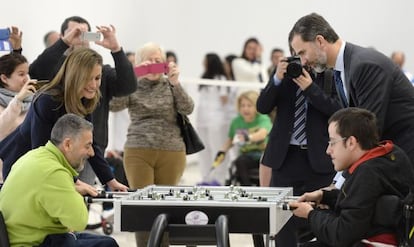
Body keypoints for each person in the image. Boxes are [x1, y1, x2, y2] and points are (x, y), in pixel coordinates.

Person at [288, 13, 414, 167]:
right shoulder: (343, 69)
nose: (303, 62)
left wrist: (339, 184)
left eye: (302, 53)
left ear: (320, 41)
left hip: (406, 159)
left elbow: (367, 134)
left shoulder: (364, 65)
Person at [28, 16, 137, 186]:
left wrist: (116, 49)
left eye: (86, 33)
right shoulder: (50, 94)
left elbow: (128, 85)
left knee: (78, 204)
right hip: (40, 159)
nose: (93, 85)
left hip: (85, 154)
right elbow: (41, 153)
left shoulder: (88, 98)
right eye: (75, 32)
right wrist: (64, 43)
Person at [0, 47, 125, 195]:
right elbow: (41, 150)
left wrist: (110, 180)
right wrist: (74, 181)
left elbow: (91, 143)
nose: (93, 85)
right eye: (87, 78)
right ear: (74, 75)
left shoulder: (85, 100)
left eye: (97, 78)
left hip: (47, 166)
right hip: (22, 163)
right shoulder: (48, 100)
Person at [289, 107, 414, 246]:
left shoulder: (367, 173)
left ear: (351, 142)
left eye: (332, 142)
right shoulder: (390, 155)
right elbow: (364, 202)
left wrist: (310, 214)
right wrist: (324, 196)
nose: (328, 150)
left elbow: (342, 234)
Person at [109, 42, 193, 247]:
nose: (154, 65)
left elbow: (187, 108)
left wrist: (175, 83)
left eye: (158, 61)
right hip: (138, 150)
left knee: (165, 206)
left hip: (172, 151)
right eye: (149, 61)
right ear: (138, 63)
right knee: (143, 207)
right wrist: (134, 76)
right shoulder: (132, 85)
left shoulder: (170, 85)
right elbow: (113, 105)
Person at [257, 51, 341, 246]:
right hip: (285, 157)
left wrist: (311, 89)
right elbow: (262, 106)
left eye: (305, 53)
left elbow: (338, 112)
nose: (303, 60)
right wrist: (277, 78)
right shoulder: (284, 75)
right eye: (297, 54)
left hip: (320, 157)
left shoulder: (329, 75)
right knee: (282, 219)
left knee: (323, 216)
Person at [0, 113, 118, 247]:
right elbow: (78, 222)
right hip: (31, 243)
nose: (91, 153)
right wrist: (74, 192)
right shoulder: (54, 172)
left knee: (107, 242)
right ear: (68, 144)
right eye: (87, 145)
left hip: (28, 236)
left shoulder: (35, 156)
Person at [215, 90, 272, 186]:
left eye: (249, 106)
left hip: (263, 155)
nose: (245, 109)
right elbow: (230, 140)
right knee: (240, 161)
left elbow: (262, 133)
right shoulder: (236, 122)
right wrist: (222, 151)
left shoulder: (263, 118)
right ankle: (247, 187)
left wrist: (247, 137)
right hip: (247, 156)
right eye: (243, 105)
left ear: (256, 106)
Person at [196, 53, 231, 185]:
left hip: (216, 120)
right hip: (202, 119)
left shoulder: (220, 78)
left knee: (217, 148)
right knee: (204, 149)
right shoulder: (204, 77)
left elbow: (224, 99)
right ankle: (206, 177)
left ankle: (218, 178)